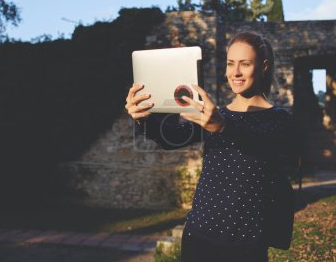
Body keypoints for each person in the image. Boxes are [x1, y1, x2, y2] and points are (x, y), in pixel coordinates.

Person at [125, 31, 299, 262]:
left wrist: (224, 128)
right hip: (199, 237)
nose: (235, 72)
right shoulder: (216, 114)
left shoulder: (279, 120)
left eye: (245, 64)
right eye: (230, 64)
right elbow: (172, 138)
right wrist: (143, 119)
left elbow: (266, 146)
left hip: (246, 244)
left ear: (263, 67)